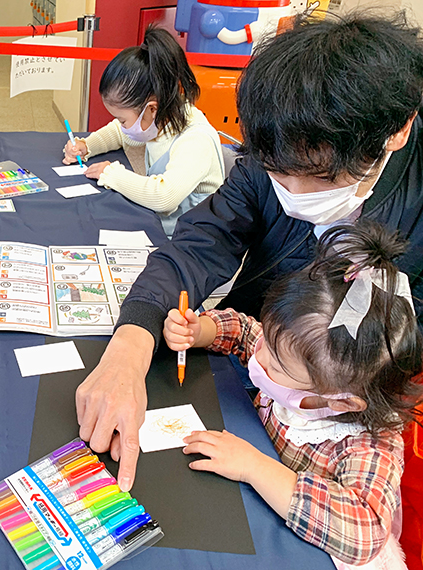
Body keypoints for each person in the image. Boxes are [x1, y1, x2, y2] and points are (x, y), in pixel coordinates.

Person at [74, 11, 423, 510]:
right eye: (277, 172)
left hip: (333, 416)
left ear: (398, 131)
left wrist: (317, 379)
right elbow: (200, 243)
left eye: (316, 176)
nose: (290, 193)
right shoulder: (280, 142)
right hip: (256, 365)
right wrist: (129, 347)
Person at [166, 221, 422, 568]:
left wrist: (254, 467)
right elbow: (245, 331)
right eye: (269, 344)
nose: (259, 357)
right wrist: (201, 330)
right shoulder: (293, 357)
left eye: (277, 365)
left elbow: (364, 532)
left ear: (342, 401)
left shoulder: (369, 443)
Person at [62, 26, 224, 237]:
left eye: (123, 119)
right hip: (163, 225)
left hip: (192, 240)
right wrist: (87, 146)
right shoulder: (161, 120)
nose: (121, 125)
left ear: (151, 108)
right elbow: (119, 133)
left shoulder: (195, 140)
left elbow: (164, 198)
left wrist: (111, 174)